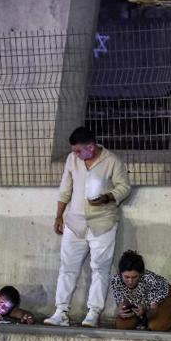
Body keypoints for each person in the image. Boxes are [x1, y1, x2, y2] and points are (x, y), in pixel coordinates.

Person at [44, 126, 131, 328]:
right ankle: (61, 311)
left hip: (103, 224)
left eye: (78, 151)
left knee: (100, 268)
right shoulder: (72, 160)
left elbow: (124, 187)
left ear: (90, 147)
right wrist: (59, 215)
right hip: (74, 223)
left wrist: (107, 197)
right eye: (73, 150)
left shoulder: (112, 161)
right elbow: (65, 188)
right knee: (67, 268)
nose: (75, 155)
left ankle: (93, 313)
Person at [111, 250, 171, 332]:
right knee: (121, 325)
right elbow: (122, 303)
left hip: (163, 299)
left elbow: (153, 310)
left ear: (141, 274)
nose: (130, 281)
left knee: (156, 326)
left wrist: (145, 310)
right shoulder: (116, 280)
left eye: (134, 277)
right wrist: (122, 311)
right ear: (120, 274)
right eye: (126, 277)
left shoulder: (150, 280)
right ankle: (142, 321)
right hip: (140, 303)